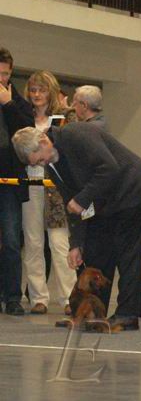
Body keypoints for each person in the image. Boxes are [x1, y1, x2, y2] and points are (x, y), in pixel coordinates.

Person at [12, 123, 141, 330]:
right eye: (37, 163)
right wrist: (76, 244)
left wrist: (82, 198)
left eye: (40, 160)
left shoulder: (76, 135)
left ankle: (127, 315)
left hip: (132, 189)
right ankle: (93, 314)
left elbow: (109, 168)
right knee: (94, 253)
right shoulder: (52, 166)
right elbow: (71, 205)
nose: (42, 165)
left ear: (43, 142)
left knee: (128, 254)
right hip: (104, 200)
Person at [22, 71, 77, 315]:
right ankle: (38, 298)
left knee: (59, 242)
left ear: (51, 92)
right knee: (33, 242)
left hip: (57, 187)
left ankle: (69, 298)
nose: (37, 95)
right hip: (30, 183)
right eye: (33, 90)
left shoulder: (63, 118)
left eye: (42, 90)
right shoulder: (23, 116)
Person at [0, 47, 34, 316]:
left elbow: (27, 132)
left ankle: (12, 297)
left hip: (10, 182)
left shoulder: (18, 102)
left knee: (12, 240)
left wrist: (8, 104)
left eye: (5, 74)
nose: (1, 79)